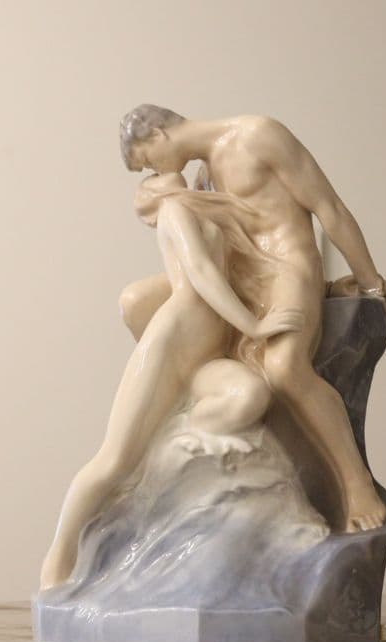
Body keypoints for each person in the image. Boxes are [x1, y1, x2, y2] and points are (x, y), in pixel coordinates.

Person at [119, 105, 386, 532]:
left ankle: (354, 482)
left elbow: (330, 208)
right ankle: (201, 394)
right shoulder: (202, 175)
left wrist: (370, 285)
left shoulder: (259, 135)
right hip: (239, 278)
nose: (152, 171)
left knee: (284, 366)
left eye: (146, 160)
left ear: (158, 134)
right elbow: (204, 256)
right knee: (135, 301)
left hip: (286, 268)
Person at [39, 172, 302, 590]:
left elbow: (264, 271)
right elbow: (199, 270)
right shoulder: (175, 208)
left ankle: (182, 436)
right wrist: (253, 326)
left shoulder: (222, 218)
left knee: (250, 395)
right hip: (172, 344)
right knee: (114, 460)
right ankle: (57, 563)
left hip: (206, 357)